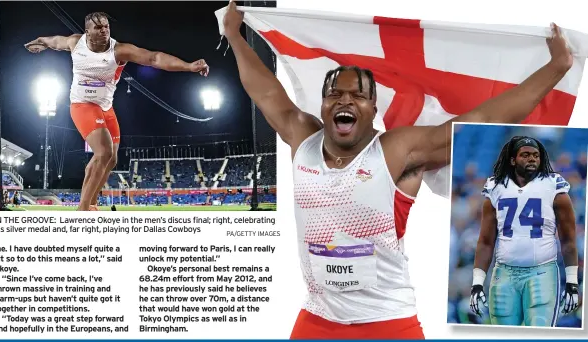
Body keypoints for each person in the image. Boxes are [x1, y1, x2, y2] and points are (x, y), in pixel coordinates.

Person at [222, 1, 574, 338]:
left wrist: (557, 67)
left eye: (358, 95)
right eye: (336, 94)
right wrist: (235, 37)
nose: (345, 99)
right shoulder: (304, 141)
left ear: (373, 109)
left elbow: (481, 118)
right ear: (324, 104)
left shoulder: (395, 151)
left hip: (387, 321)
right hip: (319, 316)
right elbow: (266, 92)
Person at [24, 12, 210, 211]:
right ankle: (82, 210)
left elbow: (154, 58)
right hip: (82, 104)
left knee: (111, 159)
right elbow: (55, 41)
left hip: (105, 107)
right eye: (98, 28)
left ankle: (91, 203)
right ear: (87, 31)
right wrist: (40, 42)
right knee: (103, 152)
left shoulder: (118, 50)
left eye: (106, 26)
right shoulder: (75, 43)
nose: (104, 30)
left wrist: (189, 66)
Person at [470, 136, 579, 326]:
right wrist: (477, 282)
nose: (532, 159)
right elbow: (486, 241)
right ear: (512, 160)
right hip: (504, 273)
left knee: (539, 335)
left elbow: (568, 240)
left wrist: (572, 282)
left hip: (542, 271)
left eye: (536, 155)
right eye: (526, 155)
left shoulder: (553, 185)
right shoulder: (496, 187)